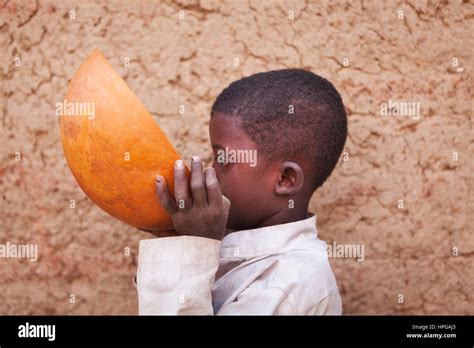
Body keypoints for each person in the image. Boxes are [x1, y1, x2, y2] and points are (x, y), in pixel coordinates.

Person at [137, 69, 347, 315]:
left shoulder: (291, 282)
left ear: (285, 179)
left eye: (223, 159)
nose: (210, 173)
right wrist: (182, 247)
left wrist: (195, 249)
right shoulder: (232, 245)